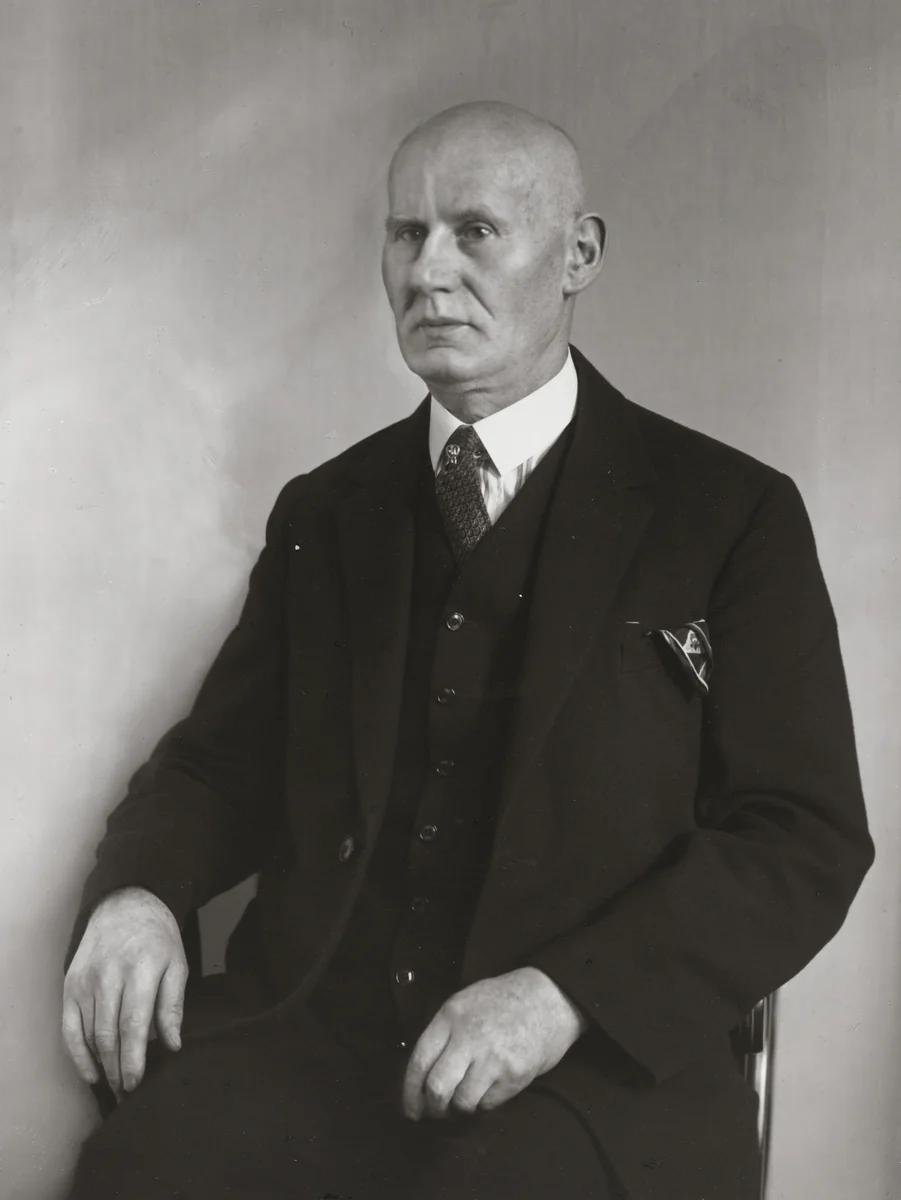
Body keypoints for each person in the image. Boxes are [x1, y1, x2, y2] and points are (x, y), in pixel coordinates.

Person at [61, 100, 873, 1200]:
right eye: (407, 234)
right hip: (315, 1042)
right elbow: (220, 763)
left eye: (474, 232)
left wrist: (559, 997)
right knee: (135, 1172)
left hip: (585, 1069)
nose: (429, 272)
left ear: (577, 254)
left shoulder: (729, 515)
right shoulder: (327, 511)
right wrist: (141, 892)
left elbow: (800, 834)